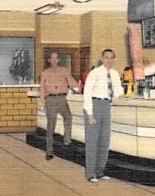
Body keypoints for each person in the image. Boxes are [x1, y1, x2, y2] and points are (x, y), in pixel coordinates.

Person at [82, 49, 124, 183]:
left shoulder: (115, 74)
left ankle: (100, 171)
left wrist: (126, 97)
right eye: (106, 57)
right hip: (94, 105)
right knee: (92, 142)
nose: (109, 60)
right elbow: (87, 92)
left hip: (106, 106)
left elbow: (118, 92)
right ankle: (91, 173)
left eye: (111, 58)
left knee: (104, 141)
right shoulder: (95, 73)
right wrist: (90, 113)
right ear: (102, 58)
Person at [39, 52, 78, 161]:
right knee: (51, 125)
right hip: (50, 99)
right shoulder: (45, 73)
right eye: (52, 58)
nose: (55, 60)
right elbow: (42, 88)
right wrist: (42, 103)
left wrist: (79, 87)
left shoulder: (64, 71)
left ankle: (67, 141)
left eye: (56, 58)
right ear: (49, 61)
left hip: (62, 99)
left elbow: (72, 83)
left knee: (68, 117)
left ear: (58, 60)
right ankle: (49, 151)